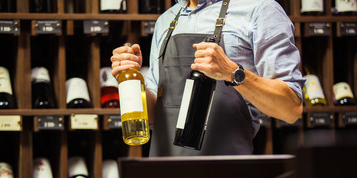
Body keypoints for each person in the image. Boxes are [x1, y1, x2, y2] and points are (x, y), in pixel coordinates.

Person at [111, 0, 304, 157]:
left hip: (226, 171)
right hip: (166, 172)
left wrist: (233, 73)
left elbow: (291, 108)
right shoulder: (166, 20)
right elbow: (155, 113)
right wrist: (130, 80)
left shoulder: (261, 10)